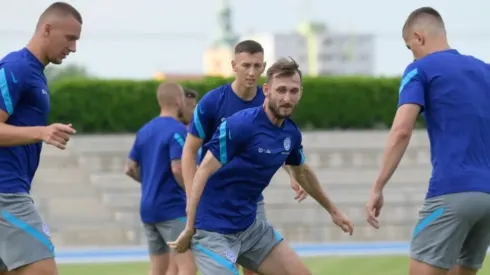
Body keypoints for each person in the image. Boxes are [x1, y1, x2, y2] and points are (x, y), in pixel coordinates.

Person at [170, 57, 354, 275]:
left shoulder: (290, 134)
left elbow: (302, 172)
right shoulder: (241, 125)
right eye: (281, 90)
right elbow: (202, 171)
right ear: (267, 90)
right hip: (212, 230)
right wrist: (190, 227)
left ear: (301, 93)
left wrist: (333, 211)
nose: (287, 98)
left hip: (250, 227)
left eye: (293, 91)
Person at [365, 7, 490, 275]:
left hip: (452, 191)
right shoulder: (485, 71)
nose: (412, 54)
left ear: (419, 37)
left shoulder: (420, 69)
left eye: (410, 47)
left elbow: (401, 130)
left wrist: (378, 186)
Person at [182, 40, 306, 275]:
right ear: (233, 66)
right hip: (215, 202)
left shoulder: (271, 99)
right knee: (224, 263)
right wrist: (191, 200)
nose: (251, 72)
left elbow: (275, 142)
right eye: (246, 65)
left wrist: (292, 173)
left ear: (264, 67)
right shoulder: (212, 102)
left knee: (255, 266)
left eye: (257, 65)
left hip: (250, 198)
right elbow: (189, 151)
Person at [0, 2, 82, 275]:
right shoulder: (16, 67)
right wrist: (42, 132)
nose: (73, 48)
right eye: (70, 38)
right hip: (5, 193)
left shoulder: (36, 74)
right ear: (47, 29)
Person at [125, 83, 197, 275]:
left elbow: (129, 168)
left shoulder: (145, 130)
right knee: (187, 266)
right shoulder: (178, 130)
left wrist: (150, 180)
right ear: (177, 100)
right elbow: (178, 168)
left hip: (148, 209)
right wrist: (192, 195)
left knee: (158, 268)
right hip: (171, 207)